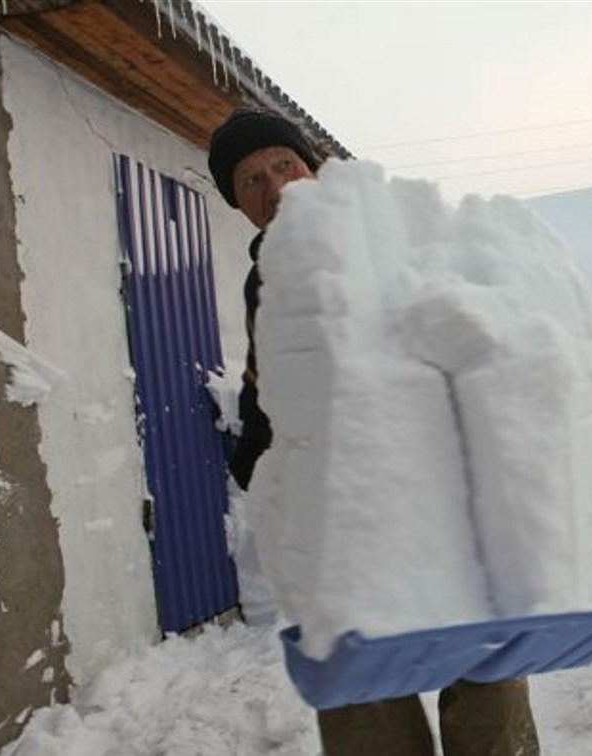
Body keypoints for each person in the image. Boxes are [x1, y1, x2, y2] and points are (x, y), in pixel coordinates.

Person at [208, 107, 540, 756]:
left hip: (441, 493)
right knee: (360, 685)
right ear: (239, 204)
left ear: (312, 167)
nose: (275, 188)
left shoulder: (393, 235)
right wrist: (258, 449)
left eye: (283, 164)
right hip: (342, 512)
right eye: (251, 181)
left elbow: (474, 333)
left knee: (483, 667)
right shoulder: (265, 279)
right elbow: (269, 381)